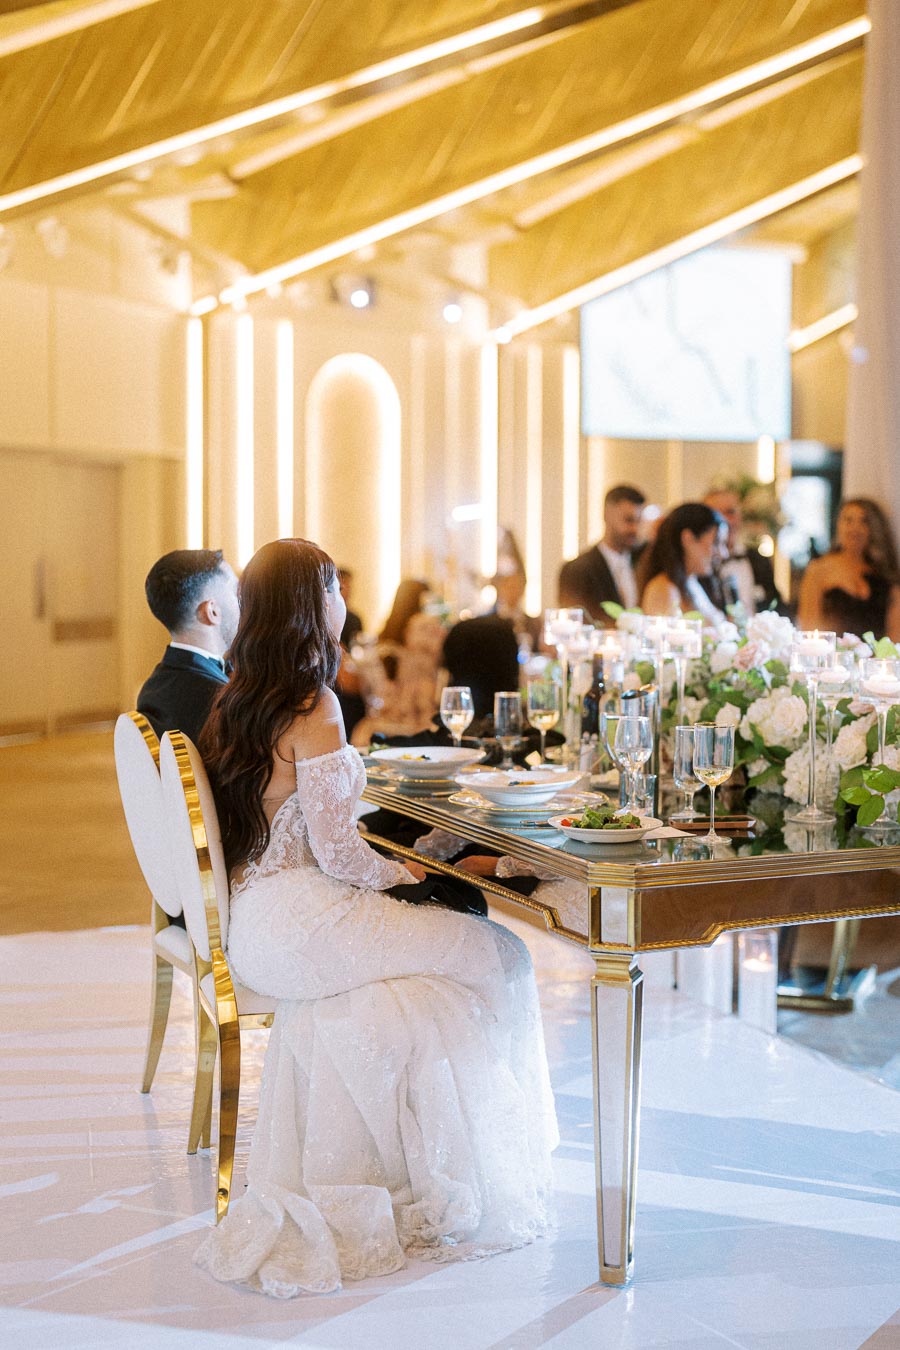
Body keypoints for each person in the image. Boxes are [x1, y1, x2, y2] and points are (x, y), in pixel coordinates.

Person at [195, 539, 557, 1295]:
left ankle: (417, 1172)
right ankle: (490, 1167)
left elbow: (302, 830)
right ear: (310, 603)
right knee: (500, 956)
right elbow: (340, 859)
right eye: (331, 583)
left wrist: (402, 859)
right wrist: (409, 872)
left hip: (263, 921)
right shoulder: (314, 702)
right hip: (305, 922)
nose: (340, 597)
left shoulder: (238, 696)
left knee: (421, 991)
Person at [137, 548, 240, 743]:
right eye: (236, 593)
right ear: (212, 611)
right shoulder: (220, 702)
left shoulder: (152, 688)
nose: (244, 602)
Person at [798, 497, 900, 640]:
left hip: (875, 660)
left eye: (863, 521)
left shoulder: (884, 575)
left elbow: (895, 634)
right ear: (838, 525)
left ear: (873, 528)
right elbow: (809, 625)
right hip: (834, 658)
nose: (855, 528)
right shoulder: (819, 569)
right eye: (848, 520)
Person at [558, 484, 645, 622]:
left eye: (639, 521)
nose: (634, 529)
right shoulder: (577, 570)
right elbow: (577, 624)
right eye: (628, 520)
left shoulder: (644, 561)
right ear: (606, 515)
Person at [637, 502, 726, 625]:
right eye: (716, 543)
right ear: (688, 539)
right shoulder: (664, 590)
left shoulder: (691, 582)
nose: (723, 553)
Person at [703, 487, 782, 615]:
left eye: (730, 512)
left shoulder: (759, 560)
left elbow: (776, 605)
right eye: (716, 514)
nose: (725, 521)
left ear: (741, 516)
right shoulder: (698, 566)